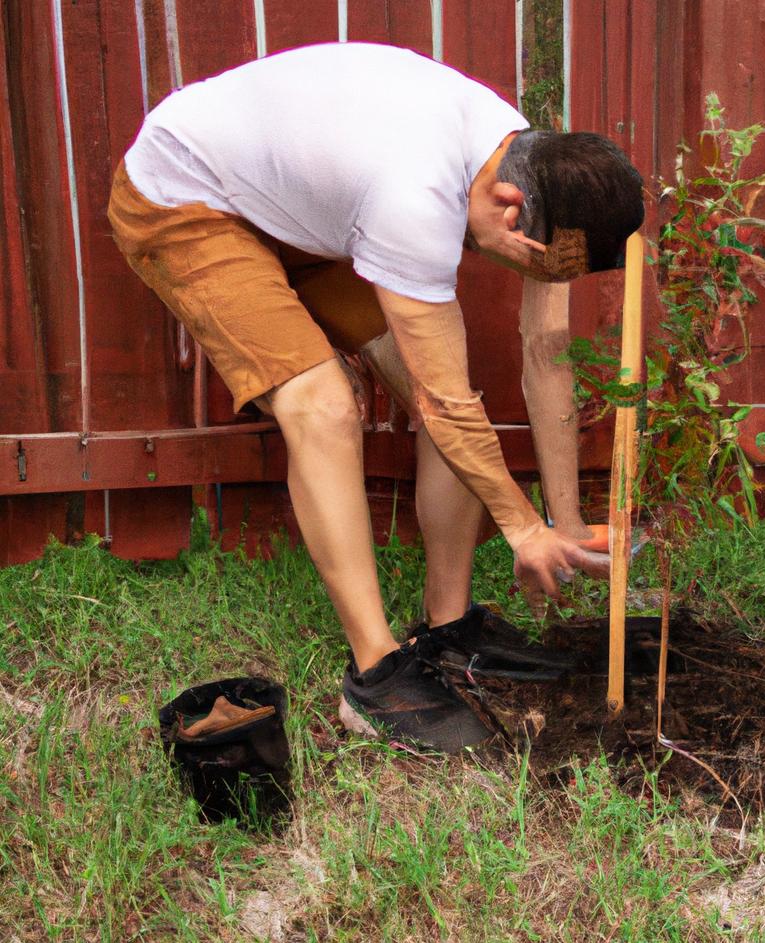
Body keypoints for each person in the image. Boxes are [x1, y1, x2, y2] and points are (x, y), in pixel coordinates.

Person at [108, 42, 645, 751]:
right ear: (511, 209)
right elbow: (445, 402)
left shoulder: (541, 167)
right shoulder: (414, 195)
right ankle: (375, 675)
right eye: (534, 263)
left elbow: (545, 355)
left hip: (300, 205)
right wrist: (521, 530)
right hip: (190, 200)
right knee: (325, 405)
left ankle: (447, 627)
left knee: (449, 397)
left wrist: (563, 523)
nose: (530, 274)